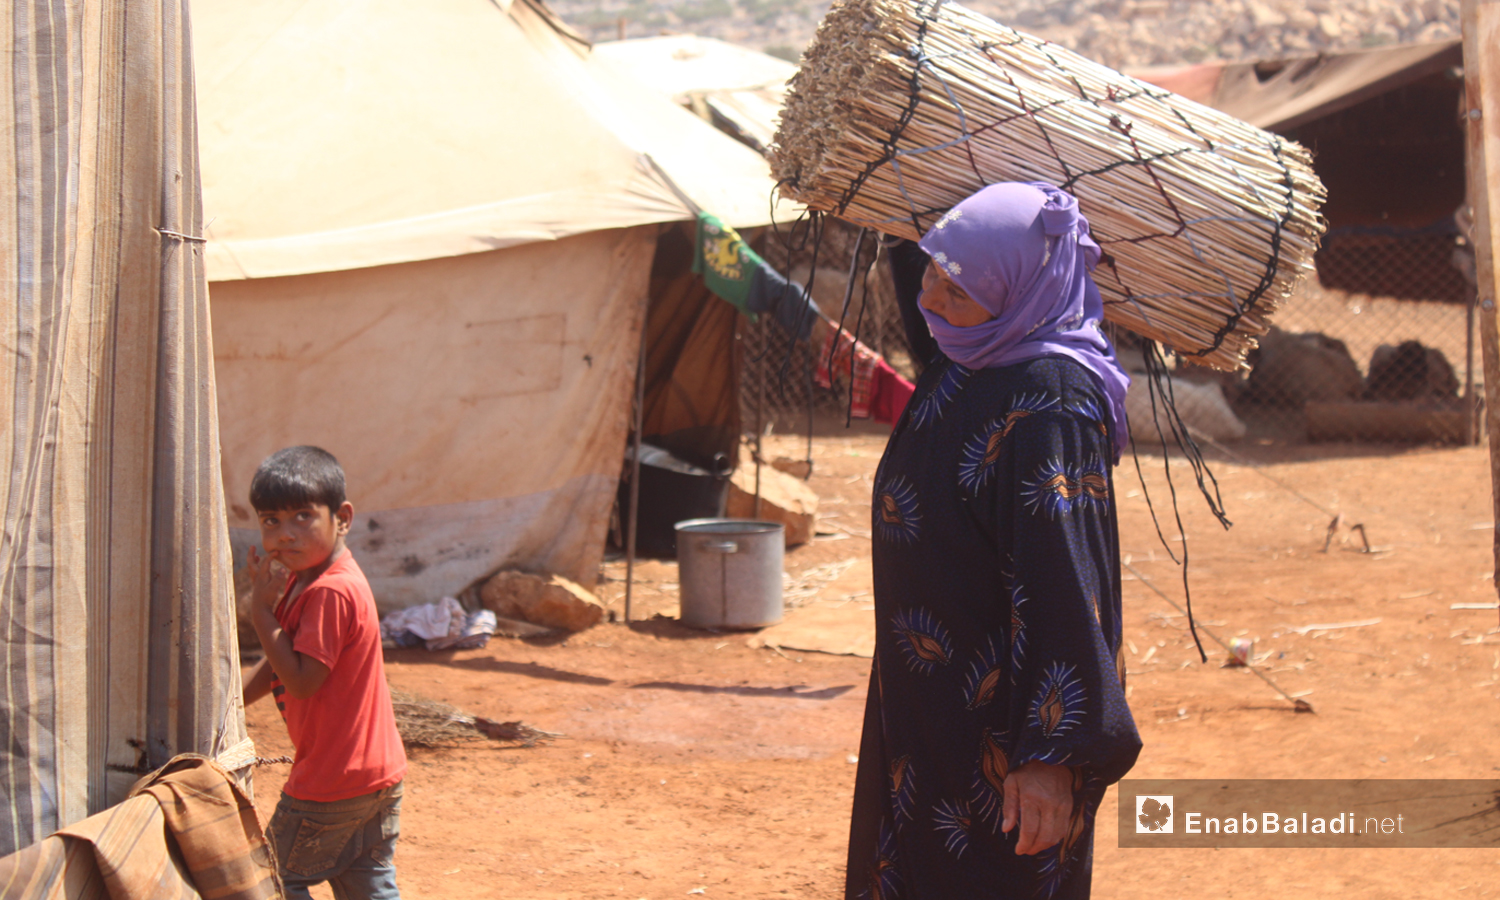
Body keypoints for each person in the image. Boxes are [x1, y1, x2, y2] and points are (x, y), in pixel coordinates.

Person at [844, 182, 1141, 899]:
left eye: (959, 286)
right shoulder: (967, 361)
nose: (933, 299)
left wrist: (1052, 758)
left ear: (1019, 288)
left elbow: (1066, 584)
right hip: (927, 716)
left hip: (1003, 742)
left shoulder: (1051, 403)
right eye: (933, 272)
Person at [242, 446, 407, 900]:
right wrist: (234, 700)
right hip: (376, 774)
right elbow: (284, 657)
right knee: (366, 884)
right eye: (270, 520)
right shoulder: (310, 577)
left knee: (271, 880)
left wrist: (259, 610)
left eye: (302, 517)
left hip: (331, 780)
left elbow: (300, 679)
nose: (285, 535)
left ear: (342, 517)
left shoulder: (329, 592)